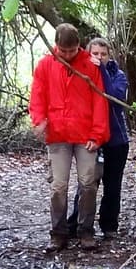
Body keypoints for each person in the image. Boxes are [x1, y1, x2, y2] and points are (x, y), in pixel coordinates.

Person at [29, 23, 109, 252]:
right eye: (62, 51)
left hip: (85, 135)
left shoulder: (90, 66)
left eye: (71, 51)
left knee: (88, 183)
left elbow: (99, 101)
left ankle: (85, 232)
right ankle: (58, 234)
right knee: (58, 186)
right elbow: (38, 96)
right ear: (56, 46)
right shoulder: (45, 64)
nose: (66, 55)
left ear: (78, 46)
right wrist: (39, 119)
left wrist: (98, 134)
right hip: (57, 135)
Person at [67, 37, 131, 240]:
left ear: (109, 56)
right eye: (95, 54)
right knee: (86, 184)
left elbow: (112, 97)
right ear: (88, 53)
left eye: (103, 54)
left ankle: (109, 225)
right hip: (91, 139)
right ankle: (77, 224)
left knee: (112, 186)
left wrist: (100, 70)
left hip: (116, 141)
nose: (99, 58)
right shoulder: (80, 74)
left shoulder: (118, 75)